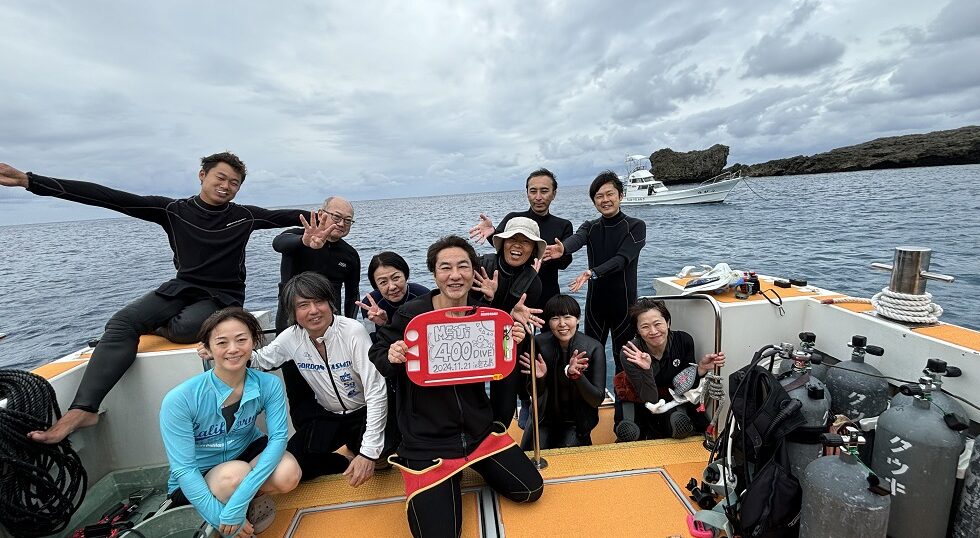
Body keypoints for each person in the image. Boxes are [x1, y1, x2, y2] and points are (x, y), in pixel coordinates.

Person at [0, 153, 307, 444]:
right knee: (121, 323)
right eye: (220, 178)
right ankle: (83, 409)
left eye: (234, 183)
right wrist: (30, 180)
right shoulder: (172, 210)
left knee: (186, 329)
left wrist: (332, 220)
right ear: (202, 176)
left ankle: (157, 327)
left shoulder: (243, 216)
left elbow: (287, 216)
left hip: (223, 297)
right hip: (182, 287)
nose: (226, 186)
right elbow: (108, 197)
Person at [369, 236, 544, 538]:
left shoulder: (483, 315)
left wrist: (511, 341)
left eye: (463, 266)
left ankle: (470, 465)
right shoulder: (411, 315)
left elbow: (502, 371)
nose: (455, 274)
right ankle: (446, 477)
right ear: (435, 275)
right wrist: (392, 355)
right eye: (445, 267)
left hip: (477, 432)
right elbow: (379, 353)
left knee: (531, 490)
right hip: (427, 441)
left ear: (473, 272)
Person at [202, 272, 390, 486]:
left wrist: (368, 454)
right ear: (292, 311)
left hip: (364, 410)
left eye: (319, 301)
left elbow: (376, 391)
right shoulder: (291, 337)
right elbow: (260, 360)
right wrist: (220, 351)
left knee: (383, 455)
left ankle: (362, 450)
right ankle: (344, 460)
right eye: (303, 305)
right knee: (294, 462)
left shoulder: (352, 331)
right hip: (330, 415)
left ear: (331, 302)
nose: (313, 310)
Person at [160, 308, 301, 536]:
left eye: (241, 340)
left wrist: (241, 499)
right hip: (200, 472)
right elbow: (185, 468)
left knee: (288, 473)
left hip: (245, 451)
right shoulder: (180, 399)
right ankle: (225, 507)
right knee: (235, 475)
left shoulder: (268, 384)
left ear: (254, 341)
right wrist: (221, 519)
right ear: (207, 348)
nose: (233, 349)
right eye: (222, 342)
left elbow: (277, 439)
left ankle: (242, 502)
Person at [546, 170, 646, 372]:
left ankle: (623, 403)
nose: (605, 200)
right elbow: (577, 239)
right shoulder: (590, 227)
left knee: (624, 361)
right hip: (596, 307)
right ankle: (589, 401)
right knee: (588, 359)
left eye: (610, 194)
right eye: (599, 196)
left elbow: (622, 259)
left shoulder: (635, 226)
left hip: (624, 307)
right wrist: (563, 248)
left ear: (621, 196)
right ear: (594, 201)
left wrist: (593, 272)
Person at [617, 298, 726, 440]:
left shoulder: (683, 341)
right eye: (645, 327)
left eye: (658, 324)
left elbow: (684, 385)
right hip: (639, 397)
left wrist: (700, 368)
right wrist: (647, 370)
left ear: (667, 322)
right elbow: (649, 399)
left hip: (672, 393)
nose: (653, 331)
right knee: (628, 432)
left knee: (680, 424)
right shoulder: (630, 353)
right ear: (637, 330)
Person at [474, 217, 545, 427]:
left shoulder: (534, 282)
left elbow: (520, 322)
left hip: (506, 340)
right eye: (512, 239)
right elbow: (461, 311)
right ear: (502, 243)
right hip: (473, 343)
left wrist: (515, 316)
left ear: (533, 249)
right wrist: (486, 298)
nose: (517, 245)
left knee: (503, 410)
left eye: (525, 241)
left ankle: (520, 402)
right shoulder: (481, 266)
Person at [469, 168, 573, 304]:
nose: (538, 197)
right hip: (514, 292)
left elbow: (565, 263)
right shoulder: (513, 218)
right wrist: (492, 233)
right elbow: (502, 250)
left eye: (544, 191)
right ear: (527, 193)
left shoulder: (563, 225)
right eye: (533, 191)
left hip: (548, 294)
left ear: (554, 194)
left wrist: (555, 256)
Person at [520, 294, 606, 449]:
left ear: (578, 319)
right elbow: (533, 393)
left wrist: (577, 376)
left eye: (568, 317)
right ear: (548, 322)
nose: (562, 324)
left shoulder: (593, 348)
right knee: (526, 458)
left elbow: (596, 400)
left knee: (564, 458)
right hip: (543, 419)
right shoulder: (538, 343)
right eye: (554, 318)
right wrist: (540, 378)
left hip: (576, 422)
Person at [274, 196, 360, 325]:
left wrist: (350, 324)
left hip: (330, 319)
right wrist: (303, 242)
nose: (342, 224)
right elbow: (278, 243)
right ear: (320, 214)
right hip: (292, 317)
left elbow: (352, 294)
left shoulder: (350, 254)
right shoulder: (297, 237)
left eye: (348, 221)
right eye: (336, 217)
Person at [356, 251, 430, 341]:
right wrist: (384, 324)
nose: (392, 287)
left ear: (405, 275)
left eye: (396, 278)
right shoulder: (370, 305)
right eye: (383, 282)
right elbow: (374, 343)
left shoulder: (423, 295)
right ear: (376, 286)